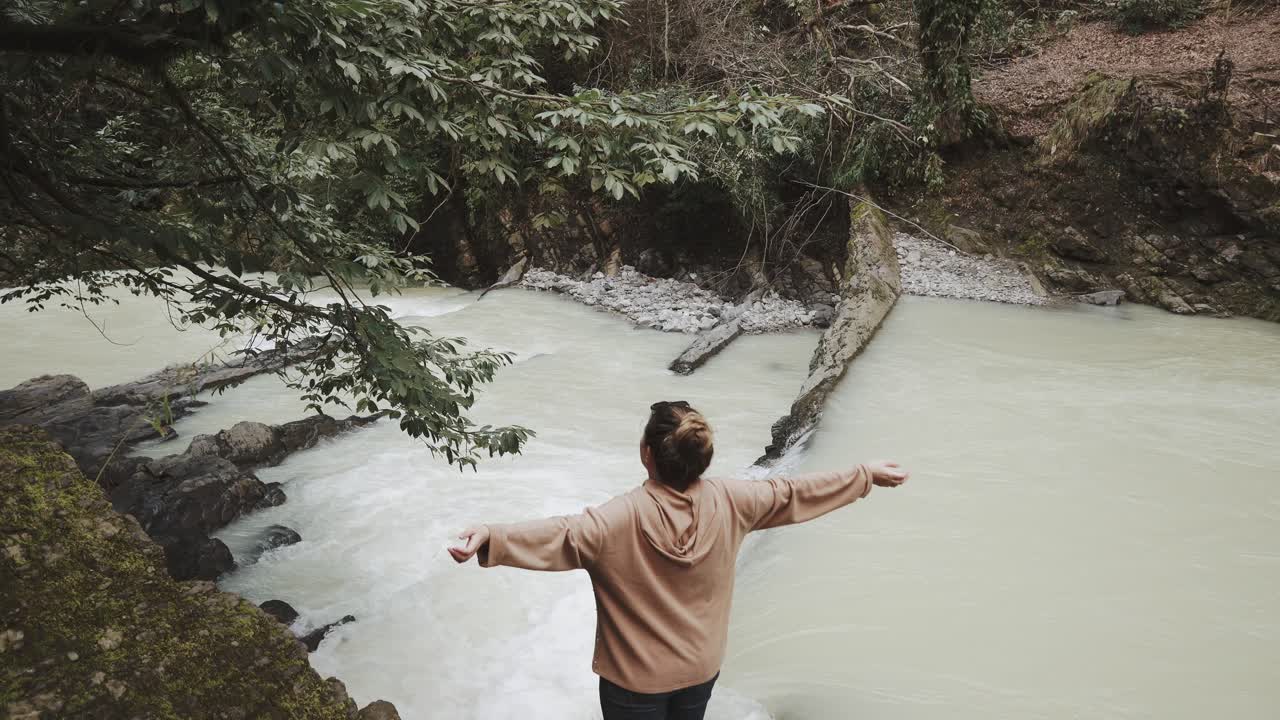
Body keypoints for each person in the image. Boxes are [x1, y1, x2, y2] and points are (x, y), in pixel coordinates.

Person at [449, 400, 909, 720]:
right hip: (699, 670)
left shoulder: (615, 520)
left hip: (634, 683)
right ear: (703, 459)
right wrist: (863, 475)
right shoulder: (735, 500)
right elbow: (794, 493)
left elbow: (558, 534)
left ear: (646, 454)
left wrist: (490, 536)